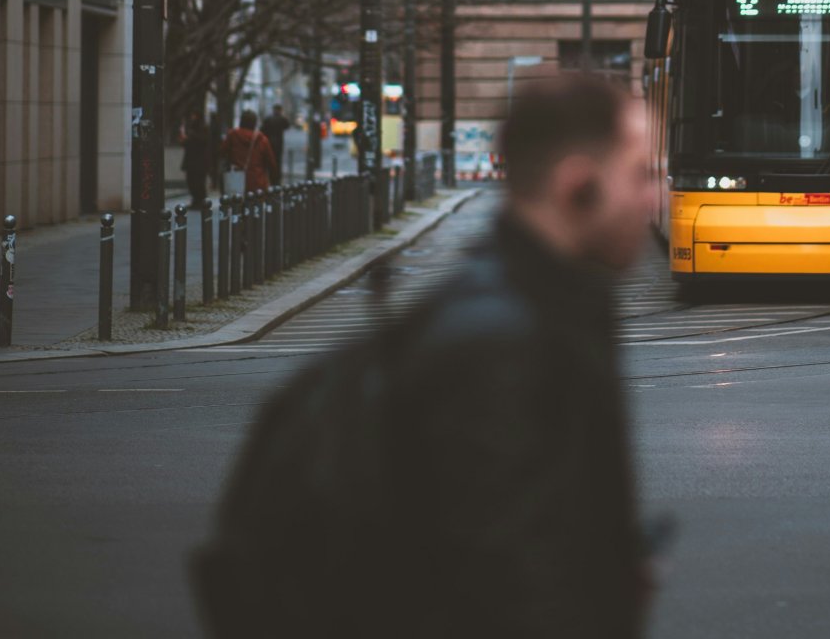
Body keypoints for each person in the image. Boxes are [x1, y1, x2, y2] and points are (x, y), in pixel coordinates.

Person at [194, 75, 660, 637]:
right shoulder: (503, 347)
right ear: (577, 187)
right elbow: (511, 590)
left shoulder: (533, 308)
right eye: (641, 175)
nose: (653, 198)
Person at [218, 110, 276, 192]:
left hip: (236, 180)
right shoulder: (262, 140)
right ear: (254, 123)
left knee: (236, 199)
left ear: (241, 121)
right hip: (257, 182)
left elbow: (222, 152)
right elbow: (271, 163)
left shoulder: (232, 135)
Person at [179, 111, 210, 206]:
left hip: (199, 161)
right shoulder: (192, 129)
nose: (192, 118)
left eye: (194, 116)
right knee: (191, 181)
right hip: (192, 161)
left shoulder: (202, 129)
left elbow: (202, 142)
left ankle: (200, 200)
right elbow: (187, 144)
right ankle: (196, 200)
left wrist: (189, 138)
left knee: (198, 182)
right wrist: (184, 139)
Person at [260, 103, 291, 184]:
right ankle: (277, 178)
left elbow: (262, 130)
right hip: (278, 143)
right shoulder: (282, 119)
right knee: (278, 161)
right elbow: (287, 125)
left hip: (269, 142)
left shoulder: (268, 119)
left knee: (269, 160)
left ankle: (270, 176)